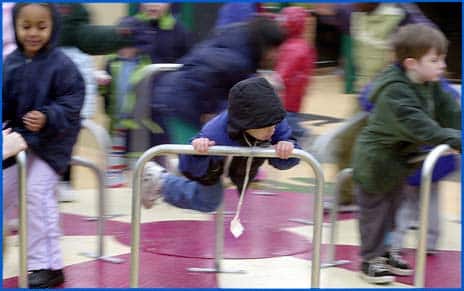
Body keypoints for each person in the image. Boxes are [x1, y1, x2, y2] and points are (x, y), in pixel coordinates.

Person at [351, 24, 461, 284]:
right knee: (375, 215)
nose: (442, 65)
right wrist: (456, 139)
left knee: (394, 211)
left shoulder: (428, 82)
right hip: (375, 162)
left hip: (399, 162)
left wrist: (458, 131)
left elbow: (451, 111)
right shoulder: (394, 92)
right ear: (411, 63)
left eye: (442, 58)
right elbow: (421, 127)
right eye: (435, 60)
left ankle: (387, 252)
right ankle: (370, 260)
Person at [2, 3, 85, 288]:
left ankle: (43, 264)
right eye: (26, 27)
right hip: (21, 142)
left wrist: (49, 117)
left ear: (53, 27)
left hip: (52, 144)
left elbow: (73, 102)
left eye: (41, 26)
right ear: (16, 27)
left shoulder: (62, 64)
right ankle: (51, 265)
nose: (33, 33)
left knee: (37, 195)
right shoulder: (11, 63)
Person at [141, 77, 299, 213]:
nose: (273, 129)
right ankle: (161, 181)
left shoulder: (275, 121)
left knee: (211, 187)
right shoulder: (216, 133)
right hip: (215, 162)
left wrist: (287, 150)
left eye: (275, 125)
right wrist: (199, 152)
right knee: (208, 201)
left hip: (240, 161)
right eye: (267, 126)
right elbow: (190, 164)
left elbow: (292, 155)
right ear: (248, 124)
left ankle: (176, 170)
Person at [149, 16, 286, 149]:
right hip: (183, 105)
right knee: (192, 159)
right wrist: (208, 110)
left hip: (178, 96)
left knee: (197, 157)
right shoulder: (238, 60)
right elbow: (203, 75)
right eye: (274, 49)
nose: (276, 55)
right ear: (264, 45)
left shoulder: (237, 40)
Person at [275, 6, 317, 145]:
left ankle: (308, 139)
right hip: (294, 98)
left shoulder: (292, 47)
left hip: (286, 98)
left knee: (289, 125)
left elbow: (282, 75)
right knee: (289, 122)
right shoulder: (302, 45)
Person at [118, 3, 191, 64]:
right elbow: (114, 60)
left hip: (165, 79)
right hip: (133, 78)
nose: (153, 4)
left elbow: (188, 64)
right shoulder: (130, 26)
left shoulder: (179, 31)